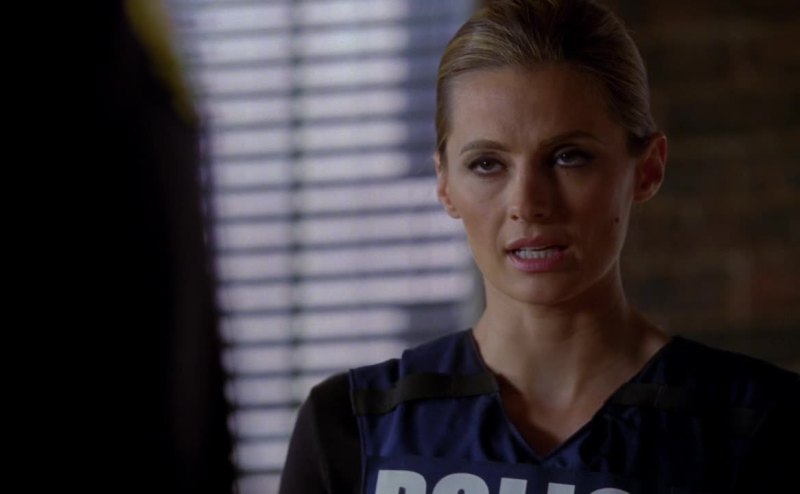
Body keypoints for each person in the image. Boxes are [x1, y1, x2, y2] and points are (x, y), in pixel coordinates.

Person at [278, 1, 800, 492]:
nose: (528, 204)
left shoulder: (761, 424)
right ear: (445, 184)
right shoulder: (351, 427)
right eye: (487, 164)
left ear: (647, 169)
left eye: (569, 156)